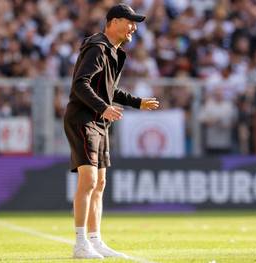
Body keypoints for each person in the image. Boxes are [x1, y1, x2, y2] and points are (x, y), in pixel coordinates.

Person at [64, 3, 159, 259]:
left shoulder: (114, 52)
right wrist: (103, 107)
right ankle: (80, 242)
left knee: (100, 183)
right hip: (83, 118)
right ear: (113, 22)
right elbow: (80, 85)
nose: (134, 28)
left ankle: (95, 240)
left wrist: (137, 102)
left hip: (98, 119)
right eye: (130, 22)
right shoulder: (98, 47)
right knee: (89, 181)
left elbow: (108, 89)